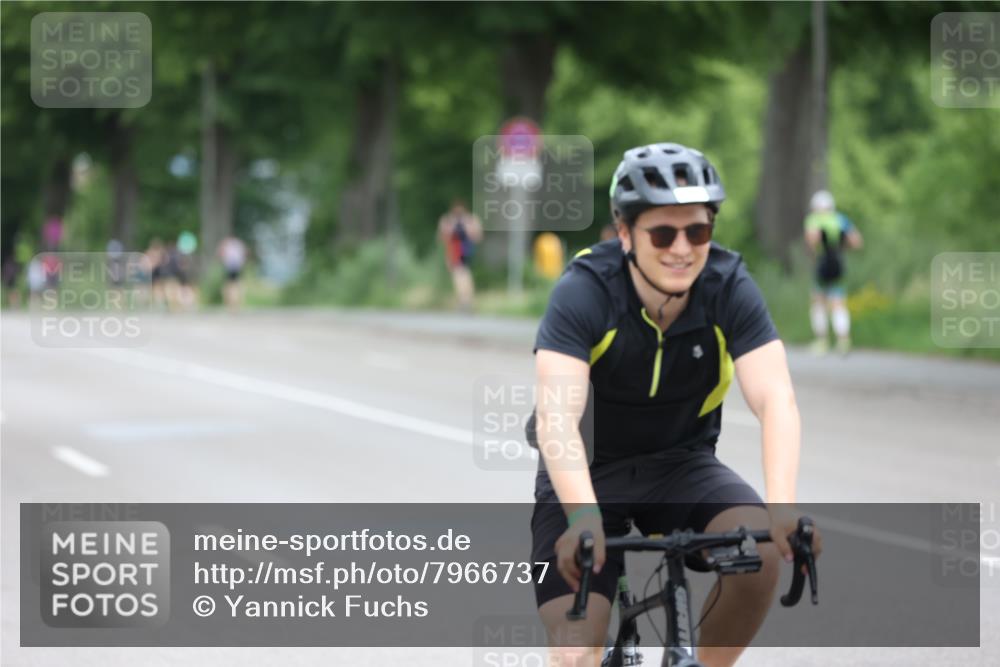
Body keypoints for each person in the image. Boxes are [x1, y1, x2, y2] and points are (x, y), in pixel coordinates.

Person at [527, 143, 821, 667]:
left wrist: (782, 510)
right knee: (576, 647)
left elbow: (776, 397)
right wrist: (583, 516)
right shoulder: (585, 291)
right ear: (625, 234)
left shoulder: (728, 285)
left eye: (698, 231)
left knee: (758, 560)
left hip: (682, 465)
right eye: (663, 233)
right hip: (588, 473)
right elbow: (557, 419)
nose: (682, 248)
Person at [803, 190, 863, 355]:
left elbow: (811, 240)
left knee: (818, 302)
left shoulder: (814, 220)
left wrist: (813, 252)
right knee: (838, 303)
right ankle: (843, 340)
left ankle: (822, 341)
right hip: (838, 263)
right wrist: (842, 247)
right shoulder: (840, 219)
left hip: (822, 265)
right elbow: (857, 241)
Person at [437, 199, 482, 312]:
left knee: (462, 275)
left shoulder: (470, 220)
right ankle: (465, 301)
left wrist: (468, 229)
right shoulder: (448, 220)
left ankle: (465, 301)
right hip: (454, 250)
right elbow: (442, 236)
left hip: (465, 250)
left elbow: (477, 236)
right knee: (462, 275)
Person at [217, 235, 249, 311]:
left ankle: (230, 303)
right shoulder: (239, 244)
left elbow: (220, 253)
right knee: (237, 285)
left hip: (229, 267)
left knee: (229, 285)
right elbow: (245, 253)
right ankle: (237, 303)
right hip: (238, 267)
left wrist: (222, 261)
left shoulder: (226, 243)